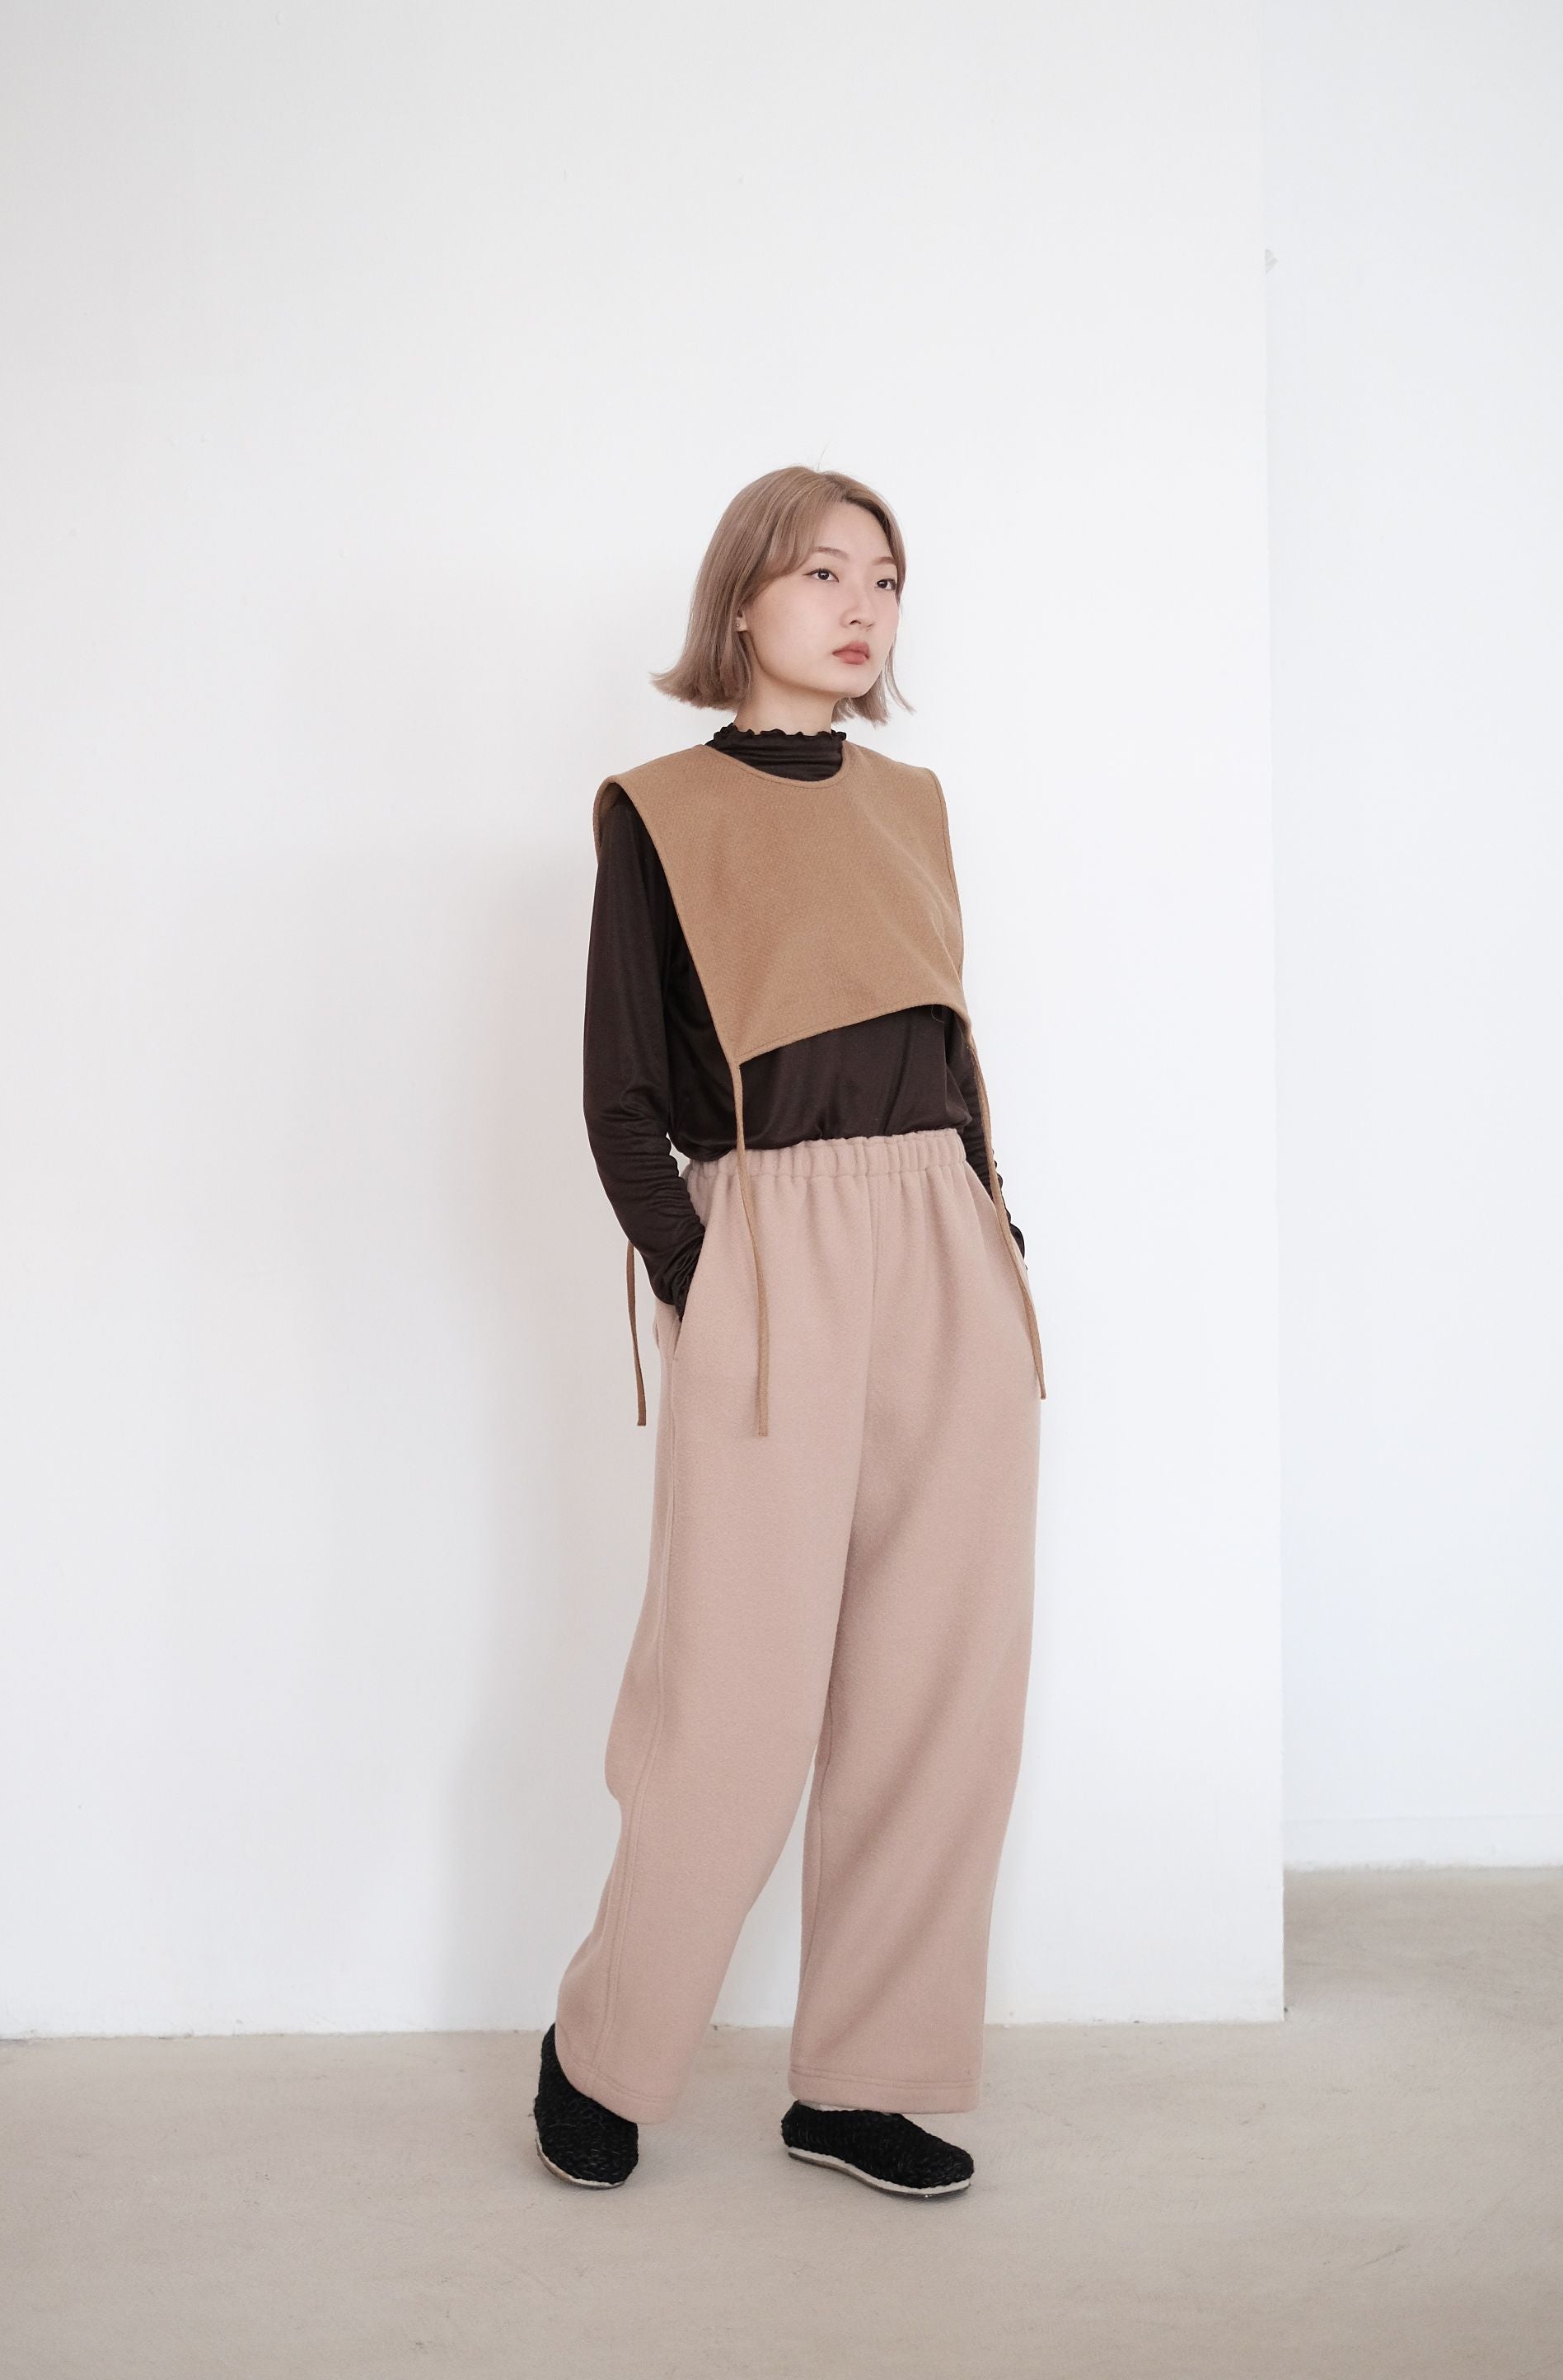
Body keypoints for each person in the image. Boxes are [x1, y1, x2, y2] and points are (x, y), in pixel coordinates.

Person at [532, 466, 1045, 2199]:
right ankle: (606, 2047)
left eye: (886, 580)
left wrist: (990, 1235)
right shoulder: (660, 810)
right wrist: (707, 1274)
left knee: (938, 1688)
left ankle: (863, 2083)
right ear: (742, 596)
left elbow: (947, 1052)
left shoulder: (911, 803)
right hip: (772, 1237)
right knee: (733, 1691)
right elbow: (619, 1097)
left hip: (945, 1242)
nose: (860, 607)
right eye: (824, 573)